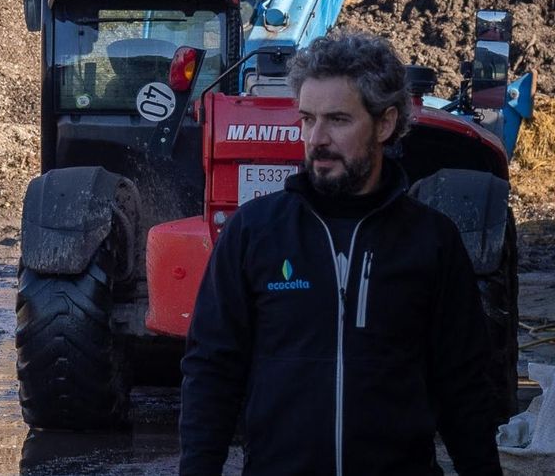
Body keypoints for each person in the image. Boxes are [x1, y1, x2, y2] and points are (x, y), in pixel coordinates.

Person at [179, 33, 503, 475]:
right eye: (307, 119)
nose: (317, 138)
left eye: (337, 120)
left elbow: (464, 385)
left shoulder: (432, 242)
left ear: (385, 124)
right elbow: (212, 372)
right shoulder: (254, 233)